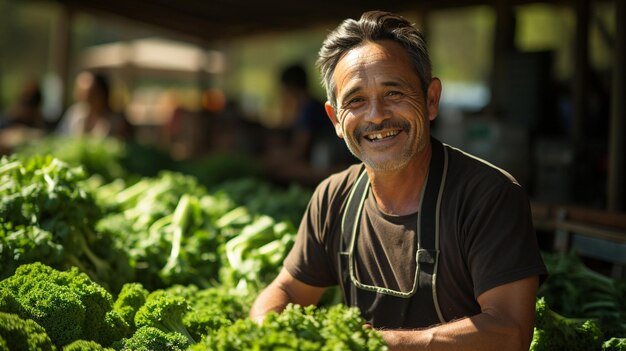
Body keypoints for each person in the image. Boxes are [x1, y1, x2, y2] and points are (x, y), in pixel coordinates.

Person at [249, 10, 547, 350]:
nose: (376, 115)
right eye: (356, 100)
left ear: (431, 99)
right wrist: (263, 333)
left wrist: (369, 344)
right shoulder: (333, 197)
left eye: (394, 93)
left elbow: (509, 333)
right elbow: (287, 290)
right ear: (334, 118)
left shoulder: (487, 196)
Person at [261, 63, 354, 186]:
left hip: (330, 165)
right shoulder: (312, 106)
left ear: (288, 88)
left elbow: (298, 151)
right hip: (333, 161)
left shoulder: (309, 110)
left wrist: (271, 160)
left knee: (280, 171)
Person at [56, 71, 132, 140]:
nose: (86, 98)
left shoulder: (117, 121)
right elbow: (60, 138)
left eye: (91, 94)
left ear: (103, 94)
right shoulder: (73, 114)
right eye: (81, 94)